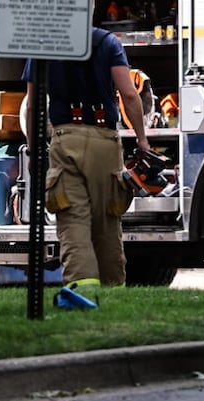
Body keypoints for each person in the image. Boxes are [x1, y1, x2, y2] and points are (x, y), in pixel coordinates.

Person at [28, 16, 156, 306]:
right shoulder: (108, 42)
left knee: (73, 220)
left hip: (65, 140)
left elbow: (34, 103)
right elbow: (129, 94)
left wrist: (34, 149)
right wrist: (142, 139)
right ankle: (113, 296)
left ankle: (81, 295)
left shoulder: (42, 43)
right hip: (105, 142)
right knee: (107, 223)